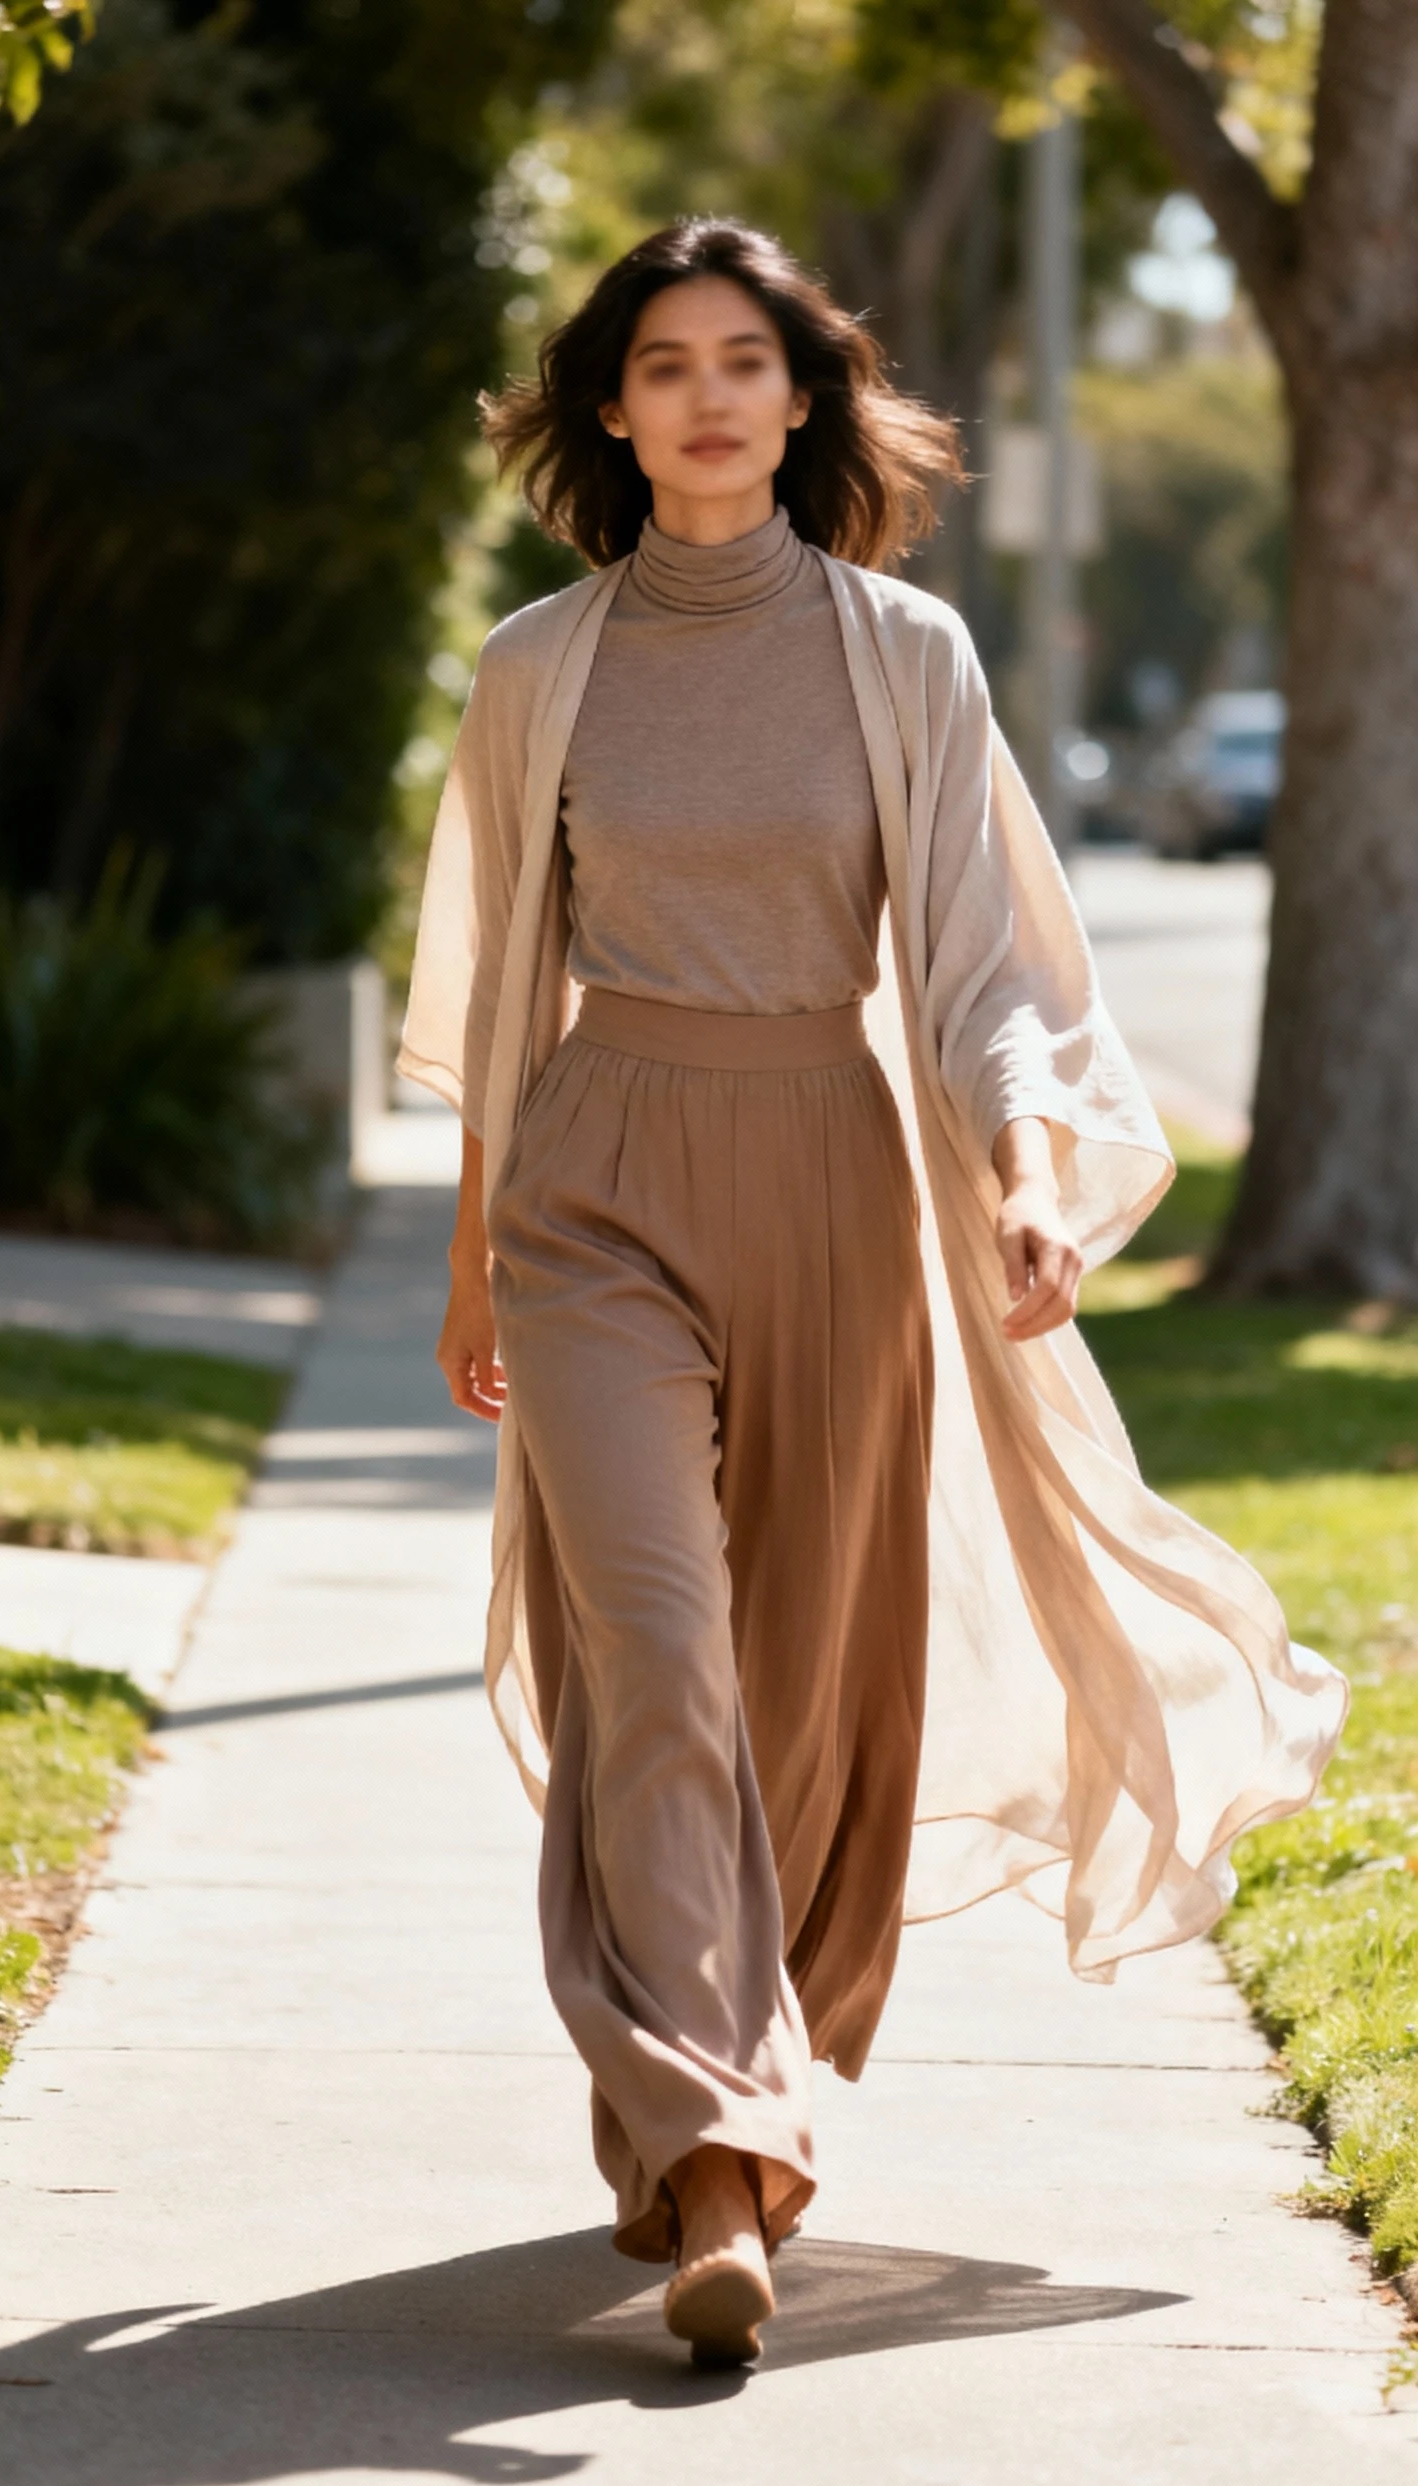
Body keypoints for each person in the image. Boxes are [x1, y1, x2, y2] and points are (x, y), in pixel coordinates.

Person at [399, 217, 1345, 2369]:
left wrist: (1025, 1179)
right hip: (597, 1185)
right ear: (610, 408)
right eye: (664, 363)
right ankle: (726, 2157)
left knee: (808, 1692)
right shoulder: (540, 664)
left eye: (750, 360)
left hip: (835, 1179)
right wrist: (473, 1251)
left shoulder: (904, 653)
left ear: (808, 396)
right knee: (655, 1648)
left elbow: (995, 968)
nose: (710, 396)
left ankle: (733, 2078)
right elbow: (497, 983)